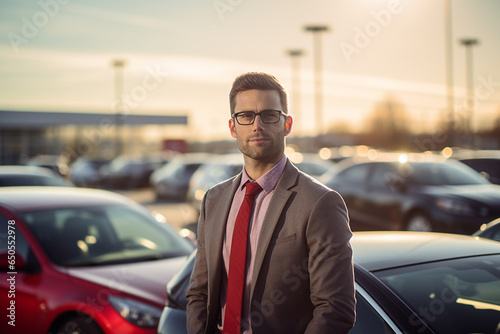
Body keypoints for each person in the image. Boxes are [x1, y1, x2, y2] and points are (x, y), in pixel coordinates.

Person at [186, 72, 356, 334]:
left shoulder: (319, 203)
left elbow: (335, 310)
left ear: (287, 124)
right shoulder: (214, 200)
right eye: (246, 116)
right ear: (233, 127)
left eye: (269, 115)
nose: (257, 125)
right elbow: (199, 292)